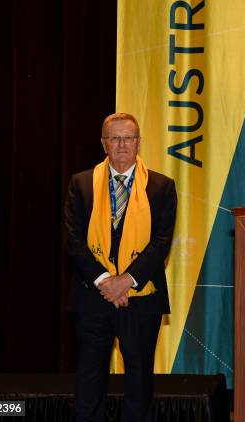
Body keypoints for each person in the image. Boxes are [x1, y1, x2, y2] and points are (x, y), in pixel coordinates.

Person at [64, 113, 177, 421]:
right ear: (104, 144)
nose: (122, 145)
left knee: (139, 385)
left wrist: (126, 280)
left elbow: (161, 244)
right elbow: (73, 241)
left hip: (141, 299)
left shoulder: (162, 187)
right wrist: (105, 281)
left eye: (128, 138)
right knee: (89, 384)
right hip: (92, 297)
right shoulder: (81, 183)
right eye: (115, 138)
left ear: (138, 142)